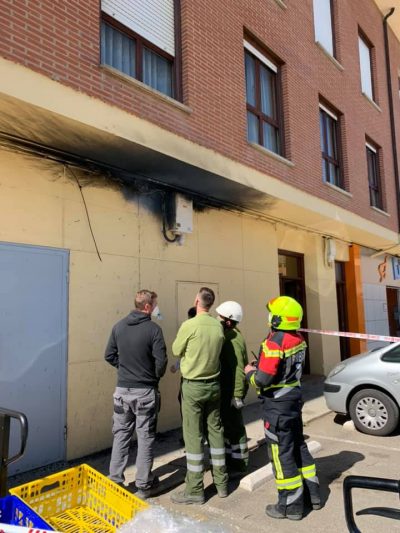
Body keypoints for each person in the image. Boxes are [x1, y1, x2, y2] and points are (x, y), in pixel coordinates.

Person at [244, 296, 321, 521]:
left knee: (281, 454)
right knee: (299, 446)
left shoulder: (274, 342)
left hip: (277, 406)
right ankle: (313, 495)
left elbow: (262, 380)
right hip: (294, 400)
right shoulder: (298, 338)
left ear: (277, 319)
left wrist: (250, 372)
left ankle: (290, 505)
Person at [105, 289, 167, 499]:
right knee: (145, 438)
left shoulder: (118, 326)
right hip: (145, 392)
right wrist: (152, 376)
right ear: (147, 307)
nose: (157, 308)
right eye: (155, 304)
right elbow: (161, 363)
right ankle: (143, 485)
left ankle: (115, 481)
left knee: (121, 436)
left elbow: (109, 355)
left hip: (122, 391)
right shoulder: (154, 330)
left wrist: (124, 369)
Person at [170, 287, 228, 505]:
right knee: (215, 431)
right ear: (211, 304)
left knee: (193, 435)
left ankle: (195, 489)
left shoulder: (190, 325)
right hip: (214, 385)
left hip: (193, 386)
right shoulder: (217, 326)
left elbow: (176, 350)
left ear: (196, 301)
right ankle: (221, 483)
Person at [216, 301, 249, 475]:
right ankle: (231, 460)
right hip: (226, 388)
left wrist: (237, 395)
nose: (217, 319)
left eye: (220, 317)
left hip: (232, 390)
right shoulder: (229, 334)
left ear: (228, 321)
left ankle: (240, 463)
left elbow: (238, 369)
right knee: (228, 426)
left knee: (235, 427)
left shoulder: (233, 338)